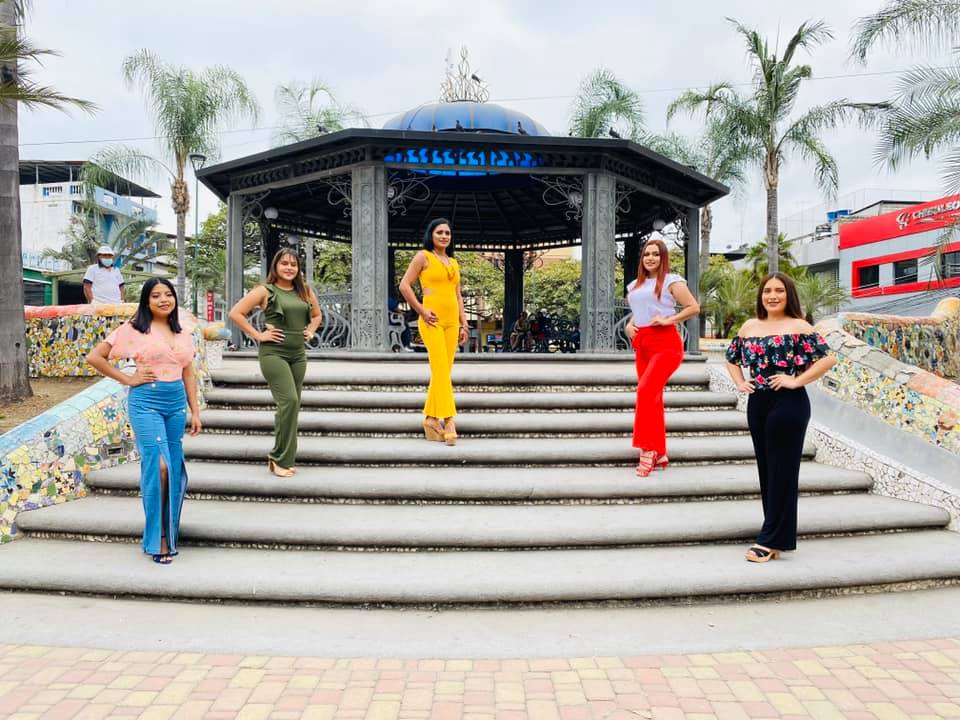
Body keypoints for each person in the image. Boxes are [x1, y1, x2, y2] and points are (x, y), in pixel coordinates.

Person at [86, 278, 201, 564]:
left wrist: (195, 411)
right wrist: (128, 379)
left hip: (175, 404)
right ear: (146, 301)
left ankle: (169, 533)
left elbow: (188, 371)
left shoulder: (183, 331)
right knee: (159, 467)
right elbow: (95, 357)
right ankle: (157, 537)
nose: (163, 300)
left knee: (173, 468)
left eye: (168, 294)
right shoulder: (134, 328)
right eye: (156, 295)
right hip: (146, 401)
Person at [725, 272, 836, 563]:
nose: (772, 296)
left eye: (779, 291)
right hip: (757, 403)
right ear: (761, 295)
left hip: (789, 403)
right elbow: (731, 358)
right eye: (767, 291)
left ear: (789, 295)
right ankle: (775, 533)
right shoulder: (749, 326)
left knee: (783, 471)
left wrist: (796, 381)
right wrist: (740, 383)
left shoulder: (799, 325)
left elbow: (828, 358)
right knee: (767, 469)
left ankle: (770, 538)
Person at [228, 248, 323, 477]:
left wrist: (310, 331)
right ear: (276, 266)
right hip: (273, 354)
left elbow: (317, 315)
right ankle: (279, 457)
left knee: (291, 407)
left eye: (293, 264)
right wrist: (258, 335)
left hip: (298, 354)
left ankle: (282, 458)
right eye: (284, 263)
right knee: (289, 400)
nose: (289, 268)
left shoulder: (305, 291)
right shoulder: (265, 290)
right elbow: (236, 313)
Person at [624, 239, 700, 476]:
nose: (650, 258)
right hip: (643, 343)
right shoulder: (634, 285)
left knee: (645, 391)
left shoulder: (671, 281)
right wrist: (630, 324)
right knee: (653, 398)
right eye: (647, 254)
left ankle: (647, 450)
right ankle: (660, 450)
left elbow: (693, 307)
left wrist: (669, 320)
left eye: (656, 254)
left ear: (663, 257)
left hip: (666, 344)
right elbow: (640, 310)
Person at [398, 218, 469, 445]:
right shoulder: (423, 256)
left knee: (443, 372)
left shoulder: (453, 262)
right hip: (431, 321)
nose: (444, 236)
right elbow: (404, 285)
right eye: (439, 232)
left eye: (447, 233)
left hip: (452, 323)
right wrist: (421, 310)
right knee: (440, 369)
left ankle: (430, 418)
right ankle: (449, 421)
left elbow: (458, 295)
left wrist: (464, 323)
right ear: (431, 234)